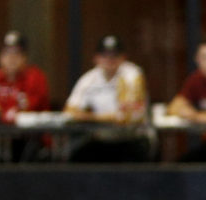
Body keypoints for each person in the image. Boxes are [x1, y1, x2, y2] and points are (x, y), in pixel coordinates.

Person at [63, 34, 150, 162]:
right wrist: (104, 118)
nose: (109, 59)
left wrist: (90, 117)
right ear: (96, 58)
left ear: (123, 57)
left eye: (114, 55)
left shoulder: (132, 74)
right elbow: (69, 111)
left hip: (131, 139)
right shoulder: (89, 78)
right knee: (76, 158)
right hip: (101, 140)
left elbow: (126, 117)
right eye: (105, 55)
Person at [0, 30, 50, 124]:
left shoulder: (35, 77)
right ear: (0, 57)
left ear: (25, 57)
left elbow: (27, 111)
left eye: (17, 53)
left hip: (30, 132)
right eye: (6, 53)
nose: (11, 58)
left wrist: (0, 112)